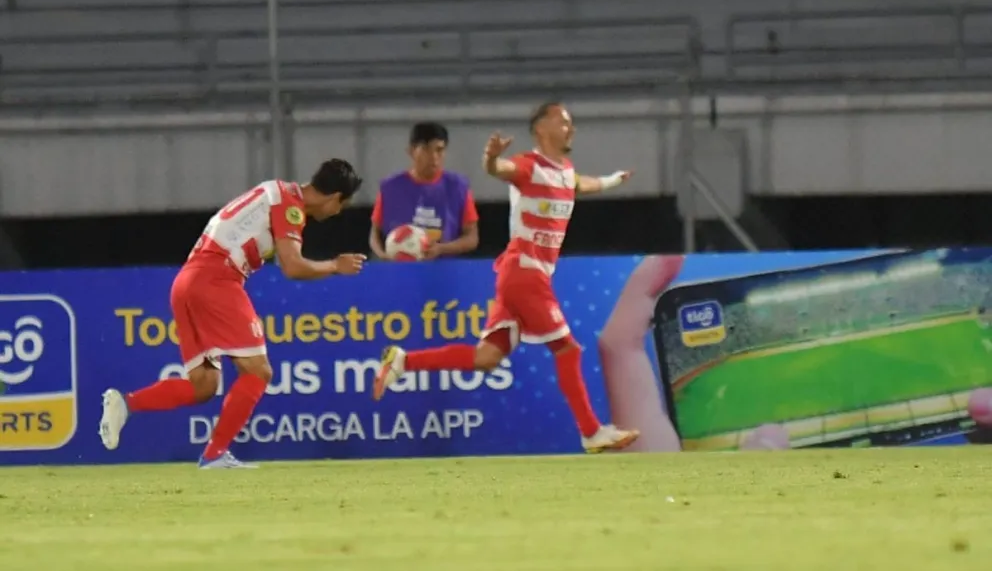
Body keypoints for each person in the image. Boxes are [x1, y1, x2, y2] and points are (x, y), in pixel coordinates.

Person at [372, 103, 640, 453]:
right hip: (525, 272)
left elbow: (581, 184)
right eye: (562, 122)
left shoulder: (564, 171)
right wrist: (490, 160)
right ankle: (590, 431)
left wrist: (612, 180)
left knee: (486, 358)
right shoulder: (529, 167)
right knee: (568, 348)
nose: (570, 129)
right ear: (541, 130)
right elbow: (501, 169)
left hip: (520, 275)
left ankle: (404, 361)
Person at [99, 159, 366, 469]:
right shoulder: (290, 205)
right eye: (341, 206)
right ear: (335, 198)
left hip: (187, 281)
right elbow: (292, 266)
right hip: (217, 279)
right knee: (259, 371)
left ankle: (125, 403)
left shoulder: (274, 191)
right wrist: (335, 265)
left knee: (204, 385)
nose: (337, 213)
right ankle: (214, 455)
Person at [369, 122, 479, 260]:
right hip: (400, 271)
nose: (433, 157)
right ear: (411, 151)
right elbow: (374, 234)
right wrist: (383, 256)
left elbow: (472, 238)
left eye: (439, 150)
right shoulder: (390, 187)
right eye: (426, 149)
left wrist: (441, 249)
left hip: (444, 272)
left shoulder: (458, 187)